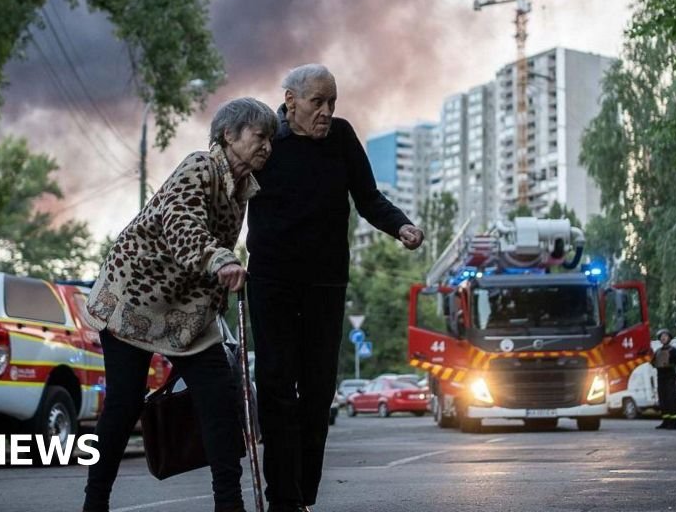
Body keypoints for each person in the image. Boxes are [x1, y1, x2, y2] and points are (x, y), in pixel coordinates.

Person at [80, 97, 278, 512]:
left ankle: (229, 505)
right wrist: (220, 258)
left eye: (270, 140)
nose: (267, 147)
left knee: (220, 400)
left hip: (188, 312)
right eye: (260, 136)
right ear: (229, 135)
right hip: (134, 299)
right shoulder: (198, 167)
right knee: (123, 405)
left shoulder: (242, 188)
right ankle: (94, 502)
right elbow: (182, 223)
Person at [245, 64, 425, 511]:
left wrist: (401, 225)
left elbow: (368, 198)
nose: (326, 111)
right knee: (276, 387)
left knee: (319, 390)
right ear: (290, 101)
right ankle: (283, 498)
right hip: (271, 282)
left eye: (332, 102)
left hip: (325, 283)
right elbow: (231, 193)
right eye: (317, 102)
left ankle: (303, 492)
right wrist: (220, 258)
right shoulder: (266, 140)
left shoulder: (341, 137)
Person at [652, 328, 676, 430]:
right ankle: (665, 421)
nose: (663, 338)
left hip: (670, 378)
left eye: (665, 336)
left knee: (671, 400)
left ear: (669, 338)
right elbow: (653, 363)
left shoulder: (674, 350)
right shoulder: (657, 351)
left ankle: (674, 423)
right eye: (661, 336)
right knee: (663, 400)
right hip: (661, 378)